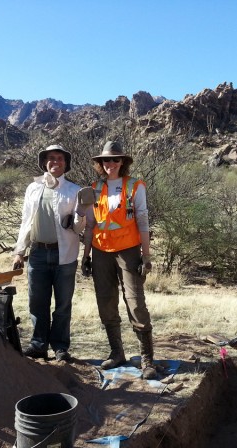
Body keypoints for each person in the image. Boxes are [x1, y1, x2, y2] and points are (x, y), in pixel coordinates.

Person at [81, 140, 157, 380]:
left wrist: (146, 255)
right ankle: (117, 353)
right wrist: (85, 256)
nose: (110, 164)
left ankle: (147, 359)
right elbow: (91, 225)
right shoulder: (94, 188)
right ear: (100, 163)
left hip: (129, 250)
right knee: (105, 301)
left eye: (115, 159)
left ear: (122, 162)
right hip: (101, 251)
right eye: (106, 160)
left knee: (135, 302)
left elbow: (142, 220)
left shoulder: (135, 186)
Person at [12, 144, 94, 361]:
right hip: (38, 253)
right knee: (37, 302)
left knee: (62, 304)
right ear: (44, 162)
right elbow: (26, 221)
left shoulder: (75, 191)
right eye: (51, 158)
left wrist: (80, 215)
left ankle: (60, 347)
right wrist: (19, 251)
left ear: (65, 164)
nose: (55, 162)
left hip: (64, 254)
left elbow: (79, 228)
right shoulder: (33, 188)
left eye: (59, 158)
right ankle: (38, 345)